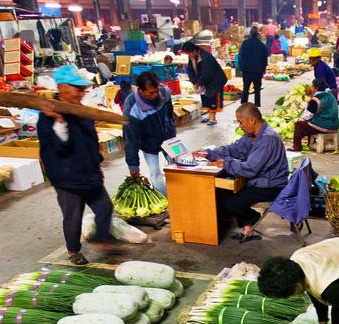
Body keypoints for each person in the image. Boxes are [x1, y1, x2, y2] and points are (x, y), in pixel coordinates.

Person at [38, 64, 116, 266]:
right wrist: (59, 120)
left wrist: (97, 167)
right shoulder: (47, 116)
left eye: (83, 89)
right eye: (77, 88)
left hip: (89, 173)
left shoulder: (82, 111)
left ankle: (102, 239)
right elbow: (60, 148)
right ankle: (73, 251)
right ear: (62, 87)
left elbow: (91, 142)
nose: (82, 93)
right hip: (67, 176)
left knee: (105, 206)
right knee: (73, 216)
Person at [193, 103, 288, 242]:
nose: (240, 126)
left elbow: (250, 168)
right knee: (230, 191)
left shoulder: (267, 138)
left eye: (240, 122)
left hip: (271, 186)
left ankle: (254, 219)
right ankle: (247, 226)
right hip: (261, 181)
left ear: (252, 120)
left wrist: (226, 163)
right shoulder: (253, 135)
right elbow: (234, 149)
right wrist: (210, 153)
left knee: (231, 204)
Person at [123, 70, 175, 198]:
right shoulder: (132, 108)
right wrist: (133, 165)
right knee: (154, 173)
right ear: (140, 90)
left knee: (177, 168)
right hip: (148, 143)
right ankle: (166, 201)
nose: (155, 94)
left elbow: (170, 113)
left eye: (156, 90)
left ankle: (179, 198)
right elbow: (130, 139)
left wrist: (172, 132)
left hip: (169, 138)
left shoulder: (165, 93)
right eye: (151, 92)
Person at [183, 40, 227, 125]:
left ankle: (213, 118)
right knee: (206, 97)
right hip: (205, 80)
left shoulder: (206, 57)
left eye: (190, 53)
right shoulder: (192, 57)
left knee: (213, 97)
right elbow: (190, 70)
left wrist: (199, 83)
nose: (190, 55)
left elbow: (207, 72)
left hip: (215, 80)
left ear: (195, 51)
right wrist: (194, 82)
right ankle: (209, 116)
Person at [291, 78, 339, 152]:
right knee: (310, 123)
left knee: (299, 125)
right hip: (334, 125)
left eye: (312, 86)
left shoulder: (316, 100)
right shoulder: (330, 95)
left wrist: (300, 119)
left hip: (322, 126)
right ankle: (312, 143)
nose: (311, 88)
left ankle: (297, 146)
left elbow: (308, 115)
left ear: (316, 88)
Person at [238, 26, 268, 106]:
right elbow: (265, 59)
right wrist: (263, 69)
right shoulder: (262, 45)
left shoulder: (245, 43)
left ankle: (244, 104)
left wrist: (241, 67)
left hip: (247, 70)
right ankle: (257, 105)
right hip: (258, 71)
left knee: (246, 88)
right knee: (257, 89)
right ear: (258, 34)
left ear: (250, 34)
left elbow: (240, 56)